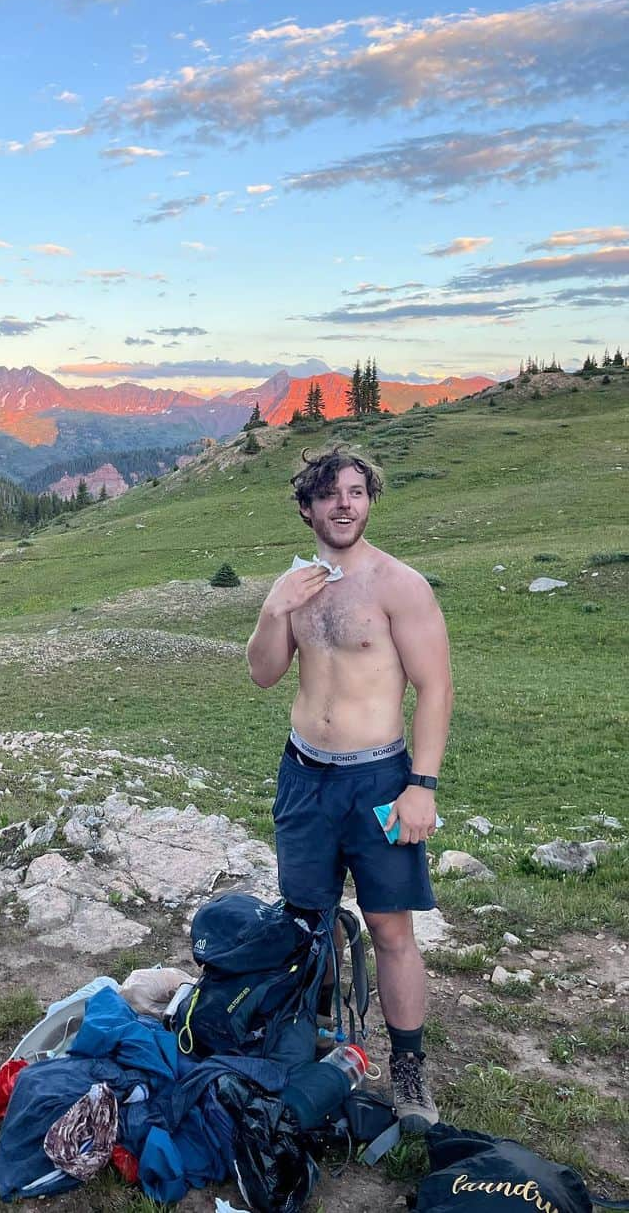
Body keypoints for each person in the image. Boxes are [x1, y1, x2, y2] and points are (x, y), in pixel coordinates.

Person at [245, 444, 452, 1133]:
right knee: (307, 923)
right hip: (305, 775)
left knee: (392, 928)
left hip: (380, 779)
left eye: (357, 491)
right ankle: (312, 1045)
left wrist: (421, 784)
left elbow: (436, 687)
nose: (344, 503)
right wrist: (273, 611)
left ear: (369, 501)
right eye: (330, 493)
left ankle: (409, 1069)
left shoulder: (400, 585)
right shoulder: (294, 586)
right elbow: (264, 675)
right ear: (306, 507)